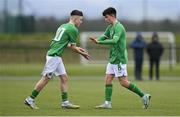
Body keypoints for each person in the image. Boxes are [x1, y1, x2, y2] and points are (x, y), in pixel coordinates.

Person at [24, 10, 90, 109]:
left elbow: (63, 43)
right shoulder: (73, 29)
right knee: (46, 78)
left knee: (64, 78)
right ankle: (30, 99)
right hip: (54, 56)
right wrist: (82, 54)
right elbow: (72, 47)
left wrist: (78, 48)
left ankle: (65, 102)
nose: (81, 22)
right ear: (75, 18)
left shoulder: (63, 26)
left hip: (55, 56)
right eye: (80, 20)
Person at [90, 7, 151, 109]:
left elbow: (114, 41)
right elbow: (104, 36)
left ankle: (144, 95)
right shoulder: (110, 27)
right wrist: (97, 39)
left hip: (119, 59)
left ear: (112, 16)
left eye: (106, 17)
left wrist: (99, 42)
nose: (105, 19)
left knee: (123, 82)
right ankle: (107, 103)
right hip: (113, 58)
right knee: (108, 79)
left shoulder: (119, 27)